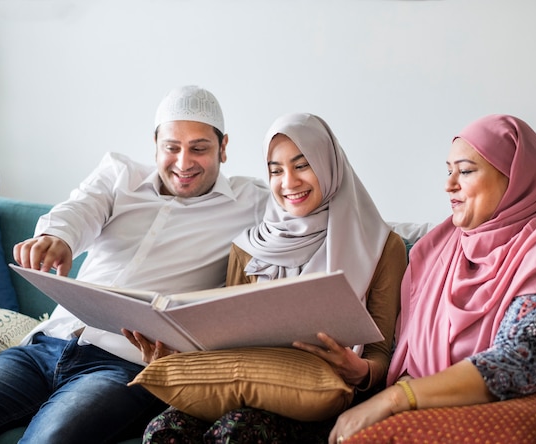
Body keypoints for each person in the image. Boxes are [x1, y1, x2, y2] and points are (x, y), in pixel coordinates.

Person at [0, 85, 269, 443]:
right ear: (155, 143)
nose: (183, 162)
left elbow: (317, 216)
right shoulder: (120, 175)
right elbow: (79, 209)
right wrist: (57, 237)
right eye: (172, 147)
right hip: (45, 347)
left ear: (223, 147)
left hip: (124, 367)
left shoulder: (254, 201)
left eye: (199, 148)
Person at [129, 112, 407, 443]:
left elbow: (379, 352)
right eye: (276, 170)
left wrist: (360, 371)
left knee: (237, 432)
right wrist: (172, 355)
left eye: (302, 165)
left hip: (314, 397)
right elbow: (223, 342)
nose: (288, 182)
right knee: (163, 432)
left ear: (329, 164)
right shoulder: (249, 247)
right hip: (240, 381)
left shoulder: (380, 245)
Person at [329, 114, 536, 443]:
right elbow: (403, 348)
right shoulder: (446, 247)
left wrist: (395, 399)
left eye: (465, 171)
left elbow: (517, 363)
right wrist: (365, 373)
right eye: (448, 171)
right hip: (450, 396)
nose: (449, 185)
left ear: (518, 177)